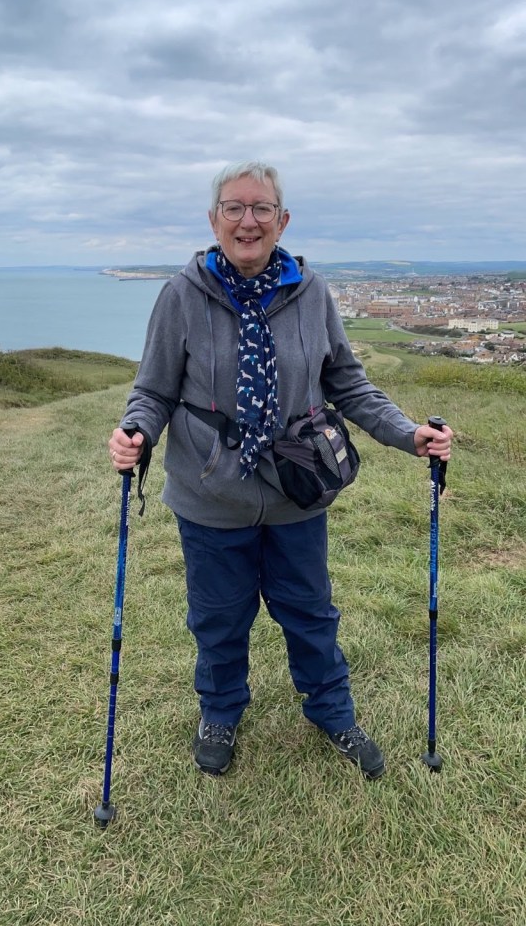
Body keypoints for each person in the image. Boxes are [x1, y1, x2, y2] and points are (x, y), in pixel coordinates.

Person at [108, 160, 453, 780]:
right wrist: (136, 431)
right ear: (214, 220)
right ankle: (220, 711)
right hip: (210, 497)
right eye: (234, 208)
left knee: (311, 612)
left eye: (261, 208)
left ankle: (331, 711)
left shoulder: (311, 291)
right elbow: (153, 390)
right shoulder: (181, 296)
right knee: (218, 616)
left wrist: (408, 435)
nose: (248, 220)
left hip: (298, 490)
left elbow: (347, 382)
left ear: (282, 219)